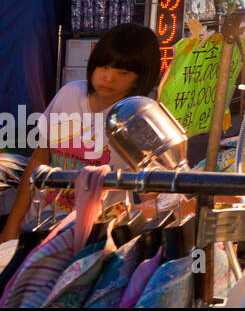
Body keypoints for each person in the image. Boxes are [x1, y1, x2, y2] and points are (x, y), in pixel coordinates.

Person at [2, 24, 160, 237]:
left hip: (95, 239)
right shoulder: (69, 94)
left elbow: (155, 193)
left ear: (140, 78)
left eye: (122, 72)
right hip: (38, 226)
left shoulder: (139, 119)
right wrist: (12, 226)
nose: (108, 77)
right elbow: (38, 161)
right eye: (103, 67)